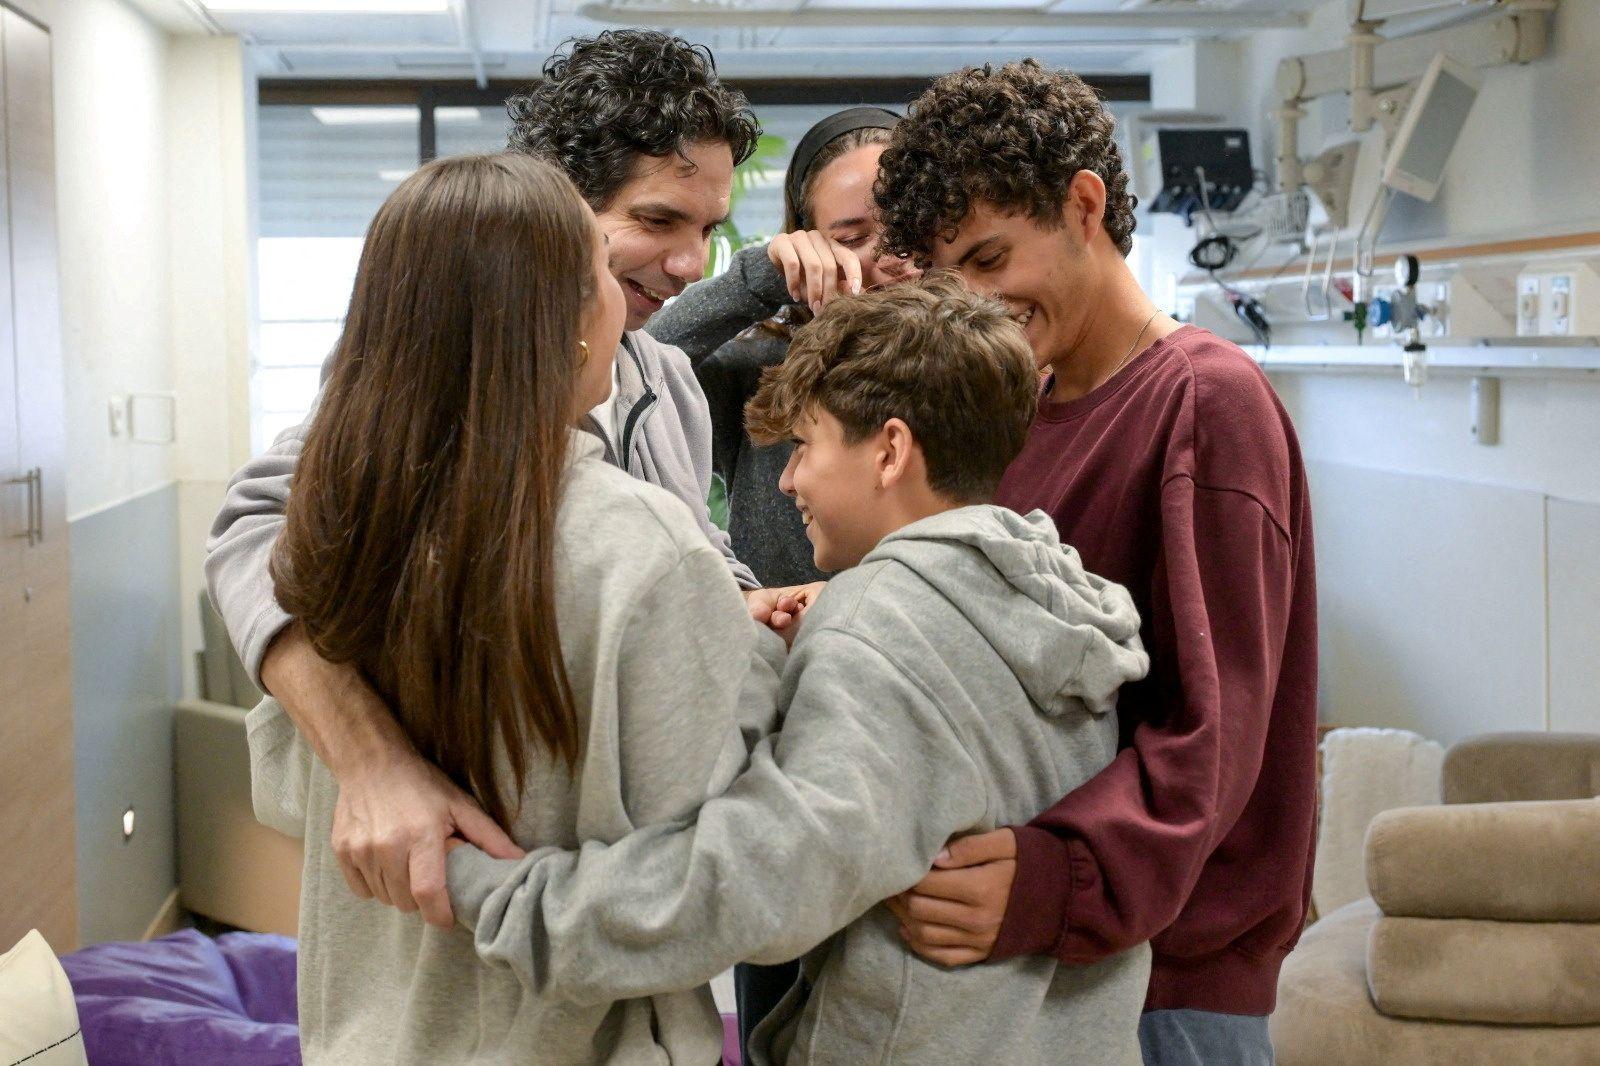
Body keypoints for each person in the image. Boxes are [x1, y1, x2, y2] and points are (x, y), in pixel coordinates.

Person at [435, 276, 1154, 1065]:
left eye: (805, 445)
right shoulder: (1056, 598)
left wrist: (500, 896)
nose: (786, 481)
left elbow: (762, 879)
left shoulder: (882, 621)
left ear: (889, 450)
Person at [207, 30, 806, 929]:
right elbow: (255, 530)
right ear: (554, 205)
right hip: (446, 887)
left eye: (708, 232)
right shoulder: (427, 371)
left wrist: (740, 600)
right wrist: (371, 759)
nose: (690, 266)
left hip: (597, 884)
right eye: (656, 222)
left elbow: (693, 547)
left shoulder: (663, 378)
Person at [248, 151, 785, 1064]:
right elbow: (723, 874)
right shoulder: (636, 548)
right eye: (604, 277)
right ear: (569, 325)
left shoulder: (327, 533)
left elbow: (281, 782)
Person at [869, 61, 1318, 1065]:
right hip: (1048, 972)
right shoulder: (1018, 408)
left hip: (1166, 982)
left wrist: (1057, 878)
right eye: (950, 279)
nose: (975, 303)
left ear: (1082, 205)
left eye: (991, 259)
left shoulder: (1205, 401)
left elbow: (1215, 729)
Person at [646, 107, 919, 592]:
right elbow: (635, 364)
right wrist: (764, 276)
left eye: (907, 227)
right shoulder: (764, 375)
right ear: (807, 243)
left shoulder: (980, 373)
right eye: (852, 239)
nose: (889, 259)